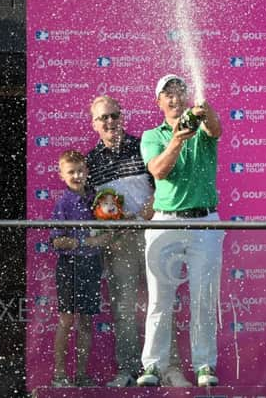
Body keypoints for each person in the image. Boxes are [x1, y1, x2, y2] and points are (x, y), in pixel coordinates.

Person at [86, 95, 188, 387]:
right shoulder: (91, 160)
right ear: (94, 124)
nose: (109, 122)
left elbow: (162, 187)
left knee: (162, 304)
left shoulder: (141, 144)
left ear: (122, 117)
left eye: (114, 116)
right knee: (123, 310)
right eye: (103, 118)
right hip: (120, 243)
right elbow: (97, 205)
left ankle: (170, 369)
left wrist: (140, 217)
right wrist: (115, 230)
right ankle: (128, 371)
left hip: (153, 233)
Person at [136, 74, 224, 388]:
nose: (174, 99)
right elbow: (159, 170)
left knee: (204, 297)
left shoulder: (202, 128)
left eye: (179, 93)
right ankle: (153, 367)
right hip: (164, 223)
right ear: (158, 102)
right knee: (160, 299)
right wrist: (177, 138)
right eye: (167, 95)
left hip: (205, 222)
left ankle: (204, 365)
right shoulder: (151, 135)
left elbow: (216, 127)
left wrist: (204, 111)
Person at [49, 150, 109, 387]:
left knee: (85, 321)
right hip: (69, 265)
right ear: (62, 175)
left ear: (87, 171)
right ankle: (60, 374)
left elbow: (106, 235)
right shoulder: (63, 203)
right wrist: (85, 242)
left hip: (91, 265)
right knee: (66, 320)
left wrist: (104, 238)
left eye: (80, 171)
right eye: (71, 172)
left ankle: (82, 374)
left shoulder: (97, 199)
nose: (76, 175)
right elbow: (56, 240)